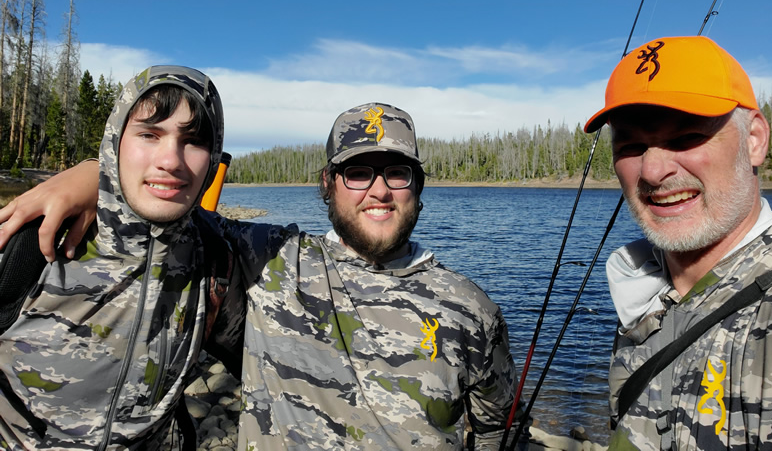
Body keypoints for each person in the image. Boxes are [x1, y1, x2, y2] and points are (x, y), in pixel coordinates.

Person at [0, 102, 527, 450]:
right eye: (358, 171)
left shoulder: (470, 308)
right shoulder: (271, 258)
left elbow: (496, 429)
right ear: (328, 184)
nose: (379, 190)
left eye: (397, 172)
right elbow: (161, 194)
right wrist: (85, 177)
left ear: (418, 184)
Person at [0, 65, 238, 449]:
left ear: (213, 158)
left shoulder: (217, 252)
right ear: (116, 142)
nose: (170, 160)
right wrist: (92, 172)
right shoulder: (30, 239)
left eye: (192, 141)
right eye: (149, 134)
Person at [584, 35, 772, 449]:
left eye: (685, 137)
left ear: (754, 139)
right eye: (631, 145)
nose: (651, 169)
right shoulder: (642, 298)